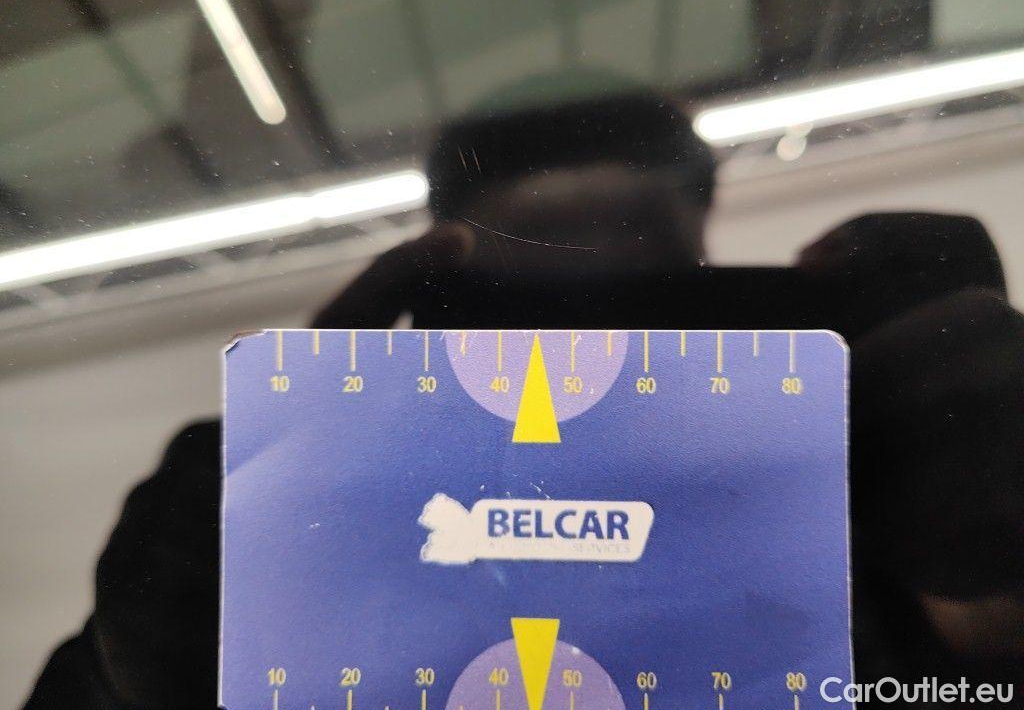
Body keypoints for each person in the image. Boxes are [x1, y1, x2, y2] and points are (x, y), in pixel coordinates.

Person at [23, 86, 1024, 709]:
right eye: (530, 296)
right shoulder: (283, 483)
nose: (586, 342)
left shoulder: (834, 457)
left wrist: (980, 617)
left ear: (708, 270)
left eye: (643, 289)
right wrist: (141, 678)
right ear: (440, 283)